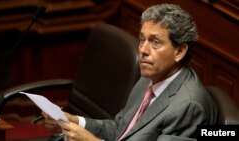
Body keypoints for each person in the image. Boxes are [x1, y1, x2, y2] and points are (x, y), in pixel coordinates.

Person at [42, 3, 217, 141]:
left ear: (180, 51)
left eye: (155, 42)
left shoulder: (188, 106)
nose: (143, 50)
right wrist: (73, 121)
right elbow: (120, 129)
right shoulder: (148, 78)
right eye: (142, 40)